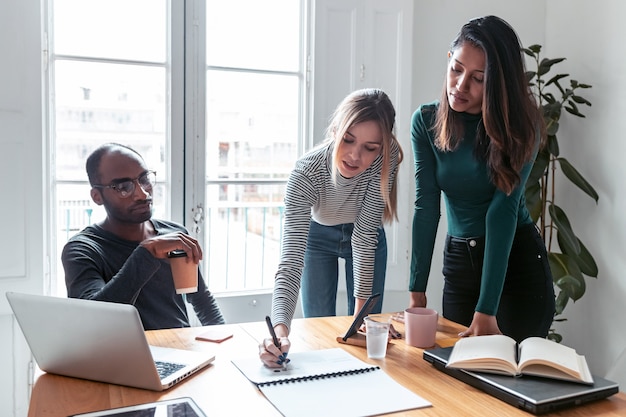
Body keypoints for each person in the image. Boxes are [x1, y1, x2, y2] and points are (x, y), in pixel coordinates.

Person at [408, 15, 555, 343]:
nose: (460, 86)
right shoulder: (426, 122)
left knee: (513, 383)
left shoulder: (522, 129)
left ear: (498, 84)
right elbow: (426, 206)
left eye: (478, 78)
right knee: (457, 381)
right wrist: (416, 292)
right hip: (460, 265)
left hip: (515, 263)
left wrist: (487, 308)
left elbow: (502, 212)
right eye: (456, 68)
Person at [260, 88, 403, 367]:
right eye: (348, 140)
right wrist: (278, 335)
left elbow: (363, 237)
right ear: (335, 129)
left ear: (383, 146)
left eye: (370, 148)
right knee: (317, 329)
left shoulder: (389, 157)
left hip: (366, 232)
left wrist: (362, 321)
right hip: (317, 236)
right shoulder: (306, 173)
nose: (354, 155)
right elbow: (290, 264)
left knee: (364, 337)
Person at [62, 143, 225, 330]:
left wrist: (224, 342)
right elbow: (94, 320)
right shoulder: (83, 249)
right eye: (124, 187)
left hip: (182, 352)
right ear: (97, 196)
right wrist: (146, 253)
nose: (143, 193)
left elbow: (201, 298)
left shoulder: (174, 235)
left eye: (144, 179)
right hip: (123, 357)